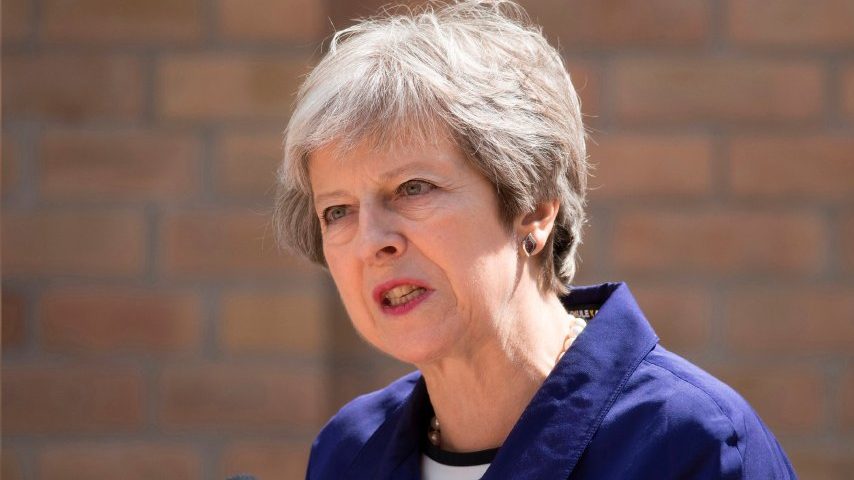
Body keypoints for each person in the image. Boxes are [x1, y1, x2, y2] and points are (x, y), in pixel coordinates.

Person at [274, 1, 797, 478]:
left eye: (413, 188)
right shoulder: (347, 451)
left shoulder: (690, 444)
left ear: (534, 208)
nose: (371, 241)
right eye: (337, 211)